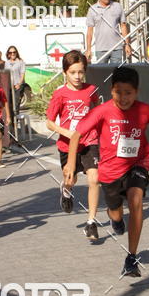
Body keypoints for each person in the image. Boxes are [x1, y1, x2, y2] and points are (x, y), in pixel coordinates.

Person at [65, 66, 149, 277]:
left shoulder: (144, 110)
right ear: (111, 90)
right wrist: (70, 164)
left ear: (137, 92)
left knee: (135, 199)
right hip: (110, 171)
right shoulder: (103, 110)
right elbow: (76, 135)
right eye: (118, 92)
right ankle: (115, 219)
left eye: (128, 93)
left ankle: (131, 258)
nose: (123, 98)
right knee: (115, 211)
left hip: (137, 164)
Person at [46, 51, 101, 241]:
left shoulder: (91, 90)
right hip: (67, 144)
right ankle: (66, 190)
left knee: (94, 179)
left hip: (89, 141)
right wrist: (67, 132)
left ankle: (91, 223)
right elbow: (49, 122)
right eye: (73, 72)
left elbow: (98, 110)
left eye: (81, 72)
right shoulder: (60, 94)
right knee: (71, 179)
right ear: (65, 72)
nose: (77, 76)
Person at [85, 0, 131, 65]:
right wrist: (88, 49)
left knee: (117, 71)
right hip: (101, 49)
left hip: (117, 48)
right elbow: (89, 31)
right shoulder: (92, 9)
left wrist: (127, 44)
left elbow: (123, 26)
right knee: (102, 72)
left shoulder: (117, 6)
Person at [4, 46, 26, 115]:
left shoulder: (21, 62)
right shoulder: (7, 63)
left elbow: (22, 74)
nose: (12, 54)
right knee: (9, 104)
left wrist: (19, 84)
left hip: (18, 86)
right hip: (10, 86)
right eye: (10, 52)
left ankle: (16, 117)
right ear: (8, 54)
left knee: (16, 105)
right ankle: (11, 119)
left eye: (14, 52)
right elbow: (6, 74)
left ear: (16, 53)